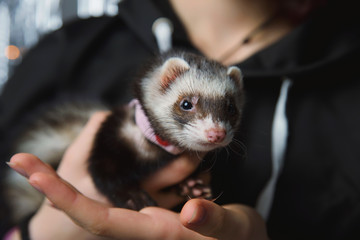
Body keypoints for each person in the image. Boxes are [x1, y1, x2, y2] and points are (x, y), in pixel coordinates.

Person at [0, 0, 359, 239]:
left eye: (228, 111)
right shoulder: (73, 50)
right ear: (162, 85)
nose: (215, 127)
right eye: (187, 105)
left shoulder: (347, 89)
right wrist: (43, 232)